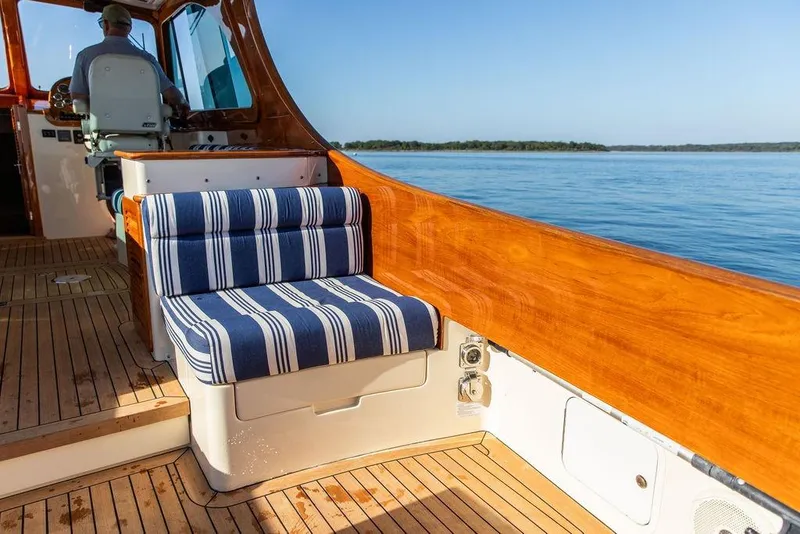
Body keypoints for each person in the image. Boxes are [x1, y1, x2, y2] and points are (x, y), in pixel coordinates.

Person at [69, 4, 189, 116]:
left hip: (104, 131)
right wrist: (184, 106)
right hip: (148, 131)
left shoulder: (85, 56)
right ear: (129, 29)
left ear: (106, 24)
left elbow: (78, 99)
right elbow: (172, 94)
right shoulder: (148, 59)